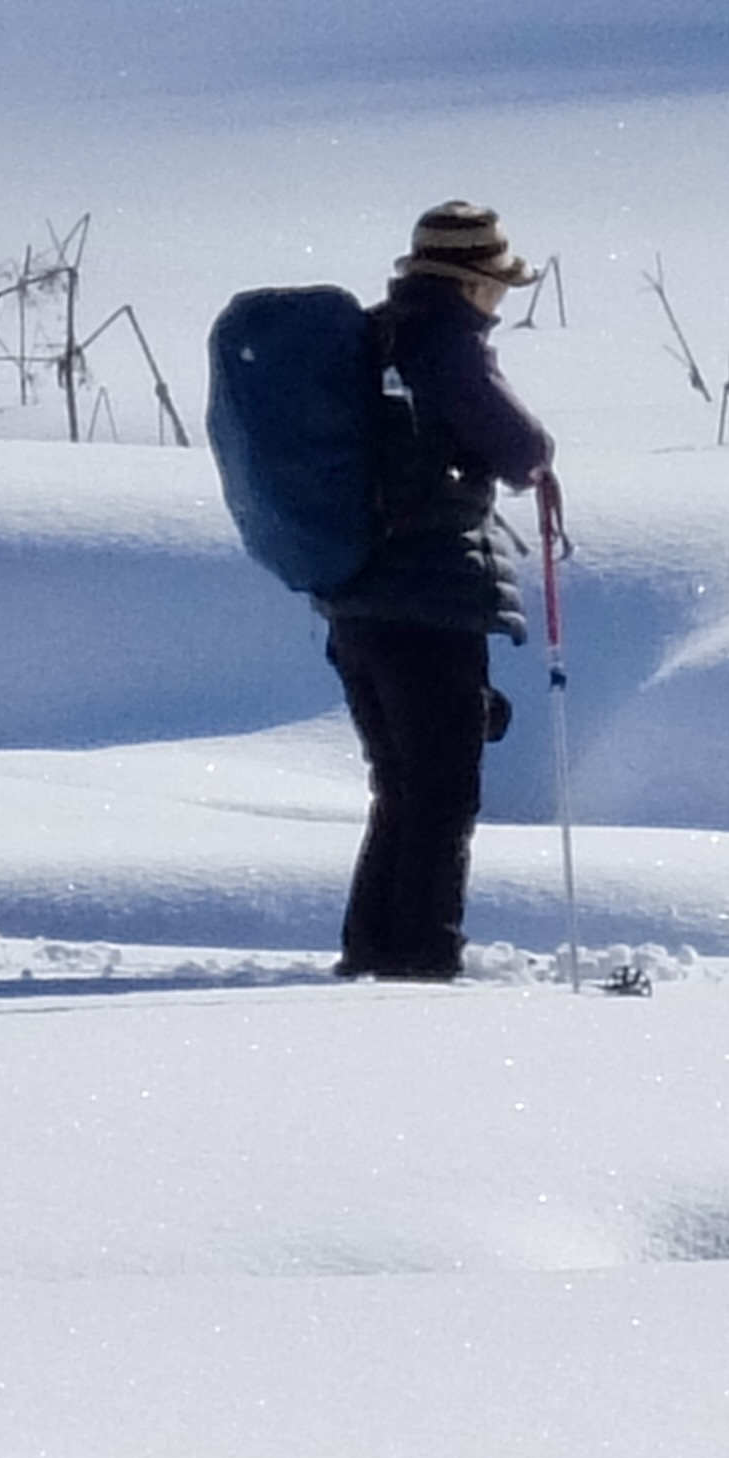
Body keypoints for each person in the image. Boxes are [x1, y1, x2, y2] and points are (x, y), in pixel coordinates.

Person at [312, 201, 558, 982]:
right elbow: (522, 446)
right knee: (443, 796)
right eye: (498, 284)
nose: (502, 299)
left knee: (400, 788)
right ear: (471, 281)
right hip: (429, 600)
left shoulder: (378, 335)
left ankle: (373, 950)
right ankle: (420, 960)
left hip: (356, 597)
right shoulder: (446, 344)